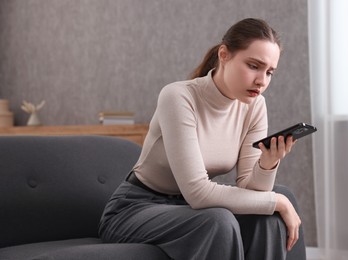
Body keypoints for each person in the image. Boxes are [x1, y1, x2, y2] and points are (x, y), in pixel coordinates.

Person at [99, 18, 306, 260]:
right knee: (224, 219)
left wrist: (267, 165)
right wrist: (278, 201)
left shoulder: (255, 105)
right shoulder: (178, 96)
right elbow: (198, 192)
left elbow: (251, 190)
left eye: (269, 72)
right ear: (224, 55)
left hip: (190, 209)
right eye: (253, 66)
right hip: (137, 209)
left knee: (269, 213)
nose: (262, 81)